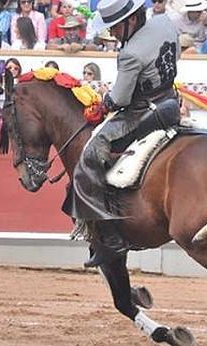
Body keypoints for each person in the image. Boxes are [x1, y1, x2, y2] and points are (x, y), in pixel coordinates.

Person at [67, 0, 180, 266]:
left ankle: (107, 233)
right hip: (171, 102)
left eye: (116, 27)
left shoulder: (130, 53)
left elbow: (120, 98)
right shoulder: (165, 24)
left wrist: (103, 105)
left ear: (131, 20)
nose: (113, 34)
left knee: (92, 150)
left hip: (144, 112)